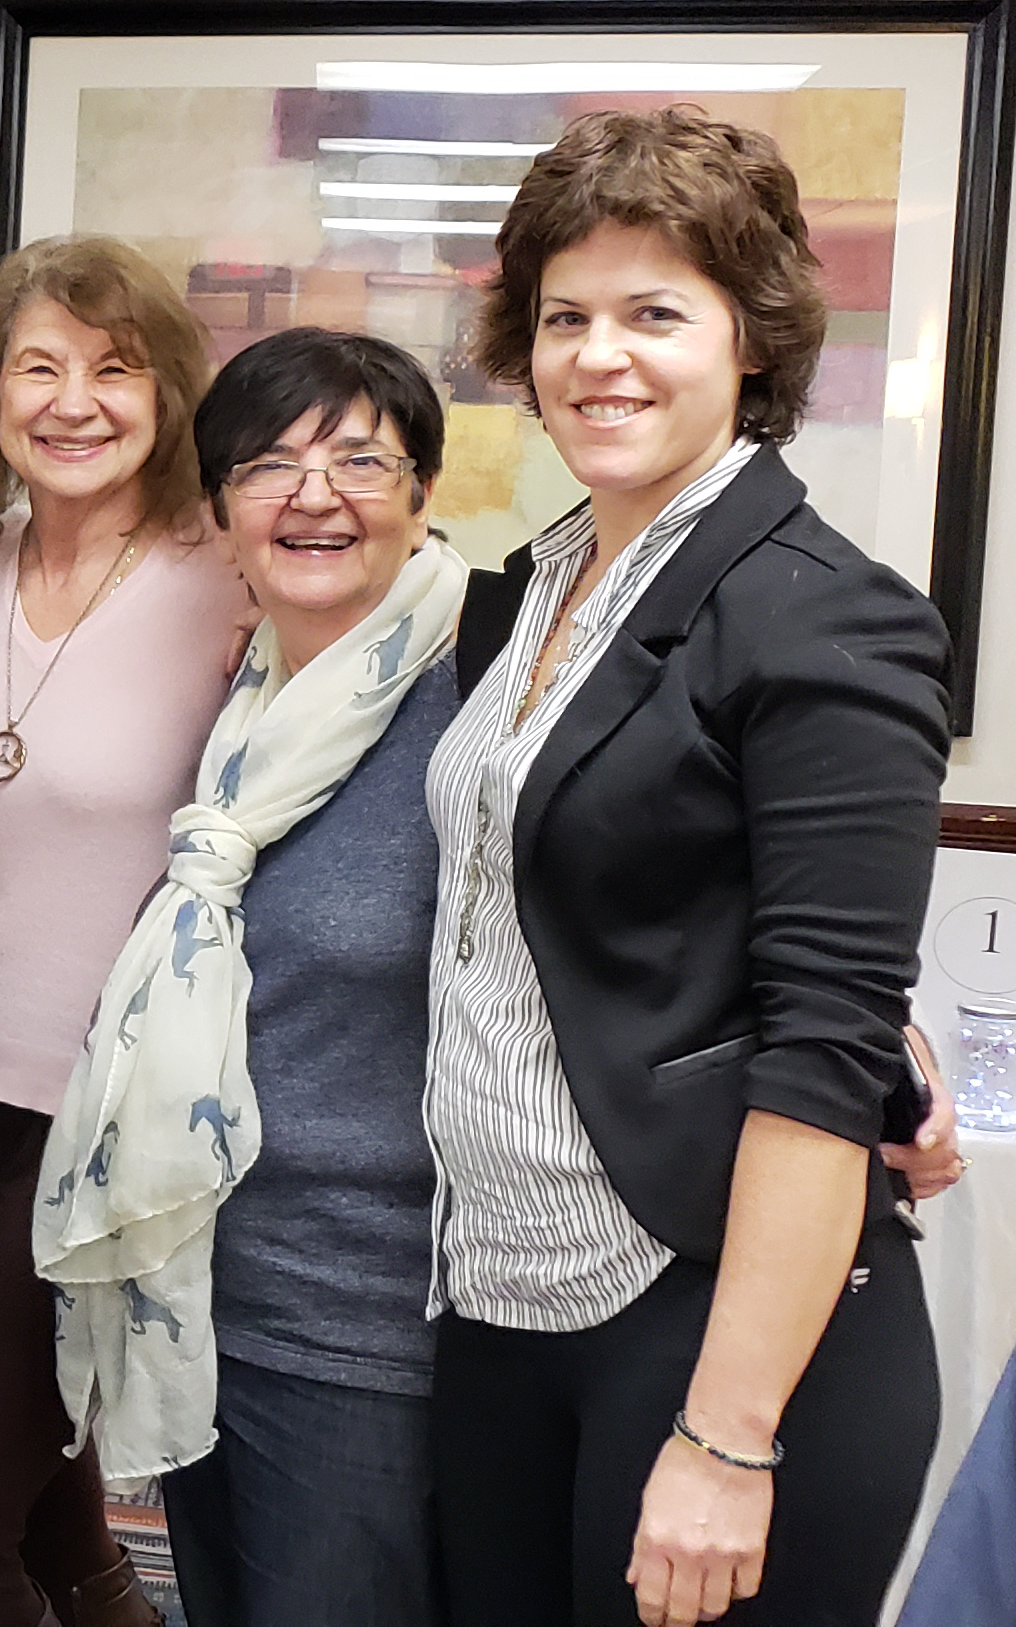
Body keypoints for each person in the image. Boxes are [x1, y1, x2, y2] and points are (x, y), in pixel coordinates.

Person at [426, 107, 946, 1627]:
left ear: (753, 340)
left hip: (715, 1320)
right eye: (565, 317)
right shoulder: (535, 588)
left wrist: (728, 1438)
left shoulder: (827, 617)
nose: (600, 357)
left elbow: (824, 1048)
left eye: (655, 314)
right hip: (503, 1295)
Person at [27, 327, 468, 1627]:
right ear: (221, 513)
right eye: (269, 465)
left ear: (424, 494)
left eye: (361, 461)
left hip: (371, 1323)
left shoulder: (487, 705)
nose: (314, 495)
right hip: (211, 1293)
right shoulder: (245, 706)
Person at [0, 236, 252, 1627]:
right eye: (37, 367)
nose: (73, 401)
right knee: (51, 1524)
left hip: (97, 1113)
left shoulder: (236, 578)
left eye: (114, 368)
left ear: (168, 393)